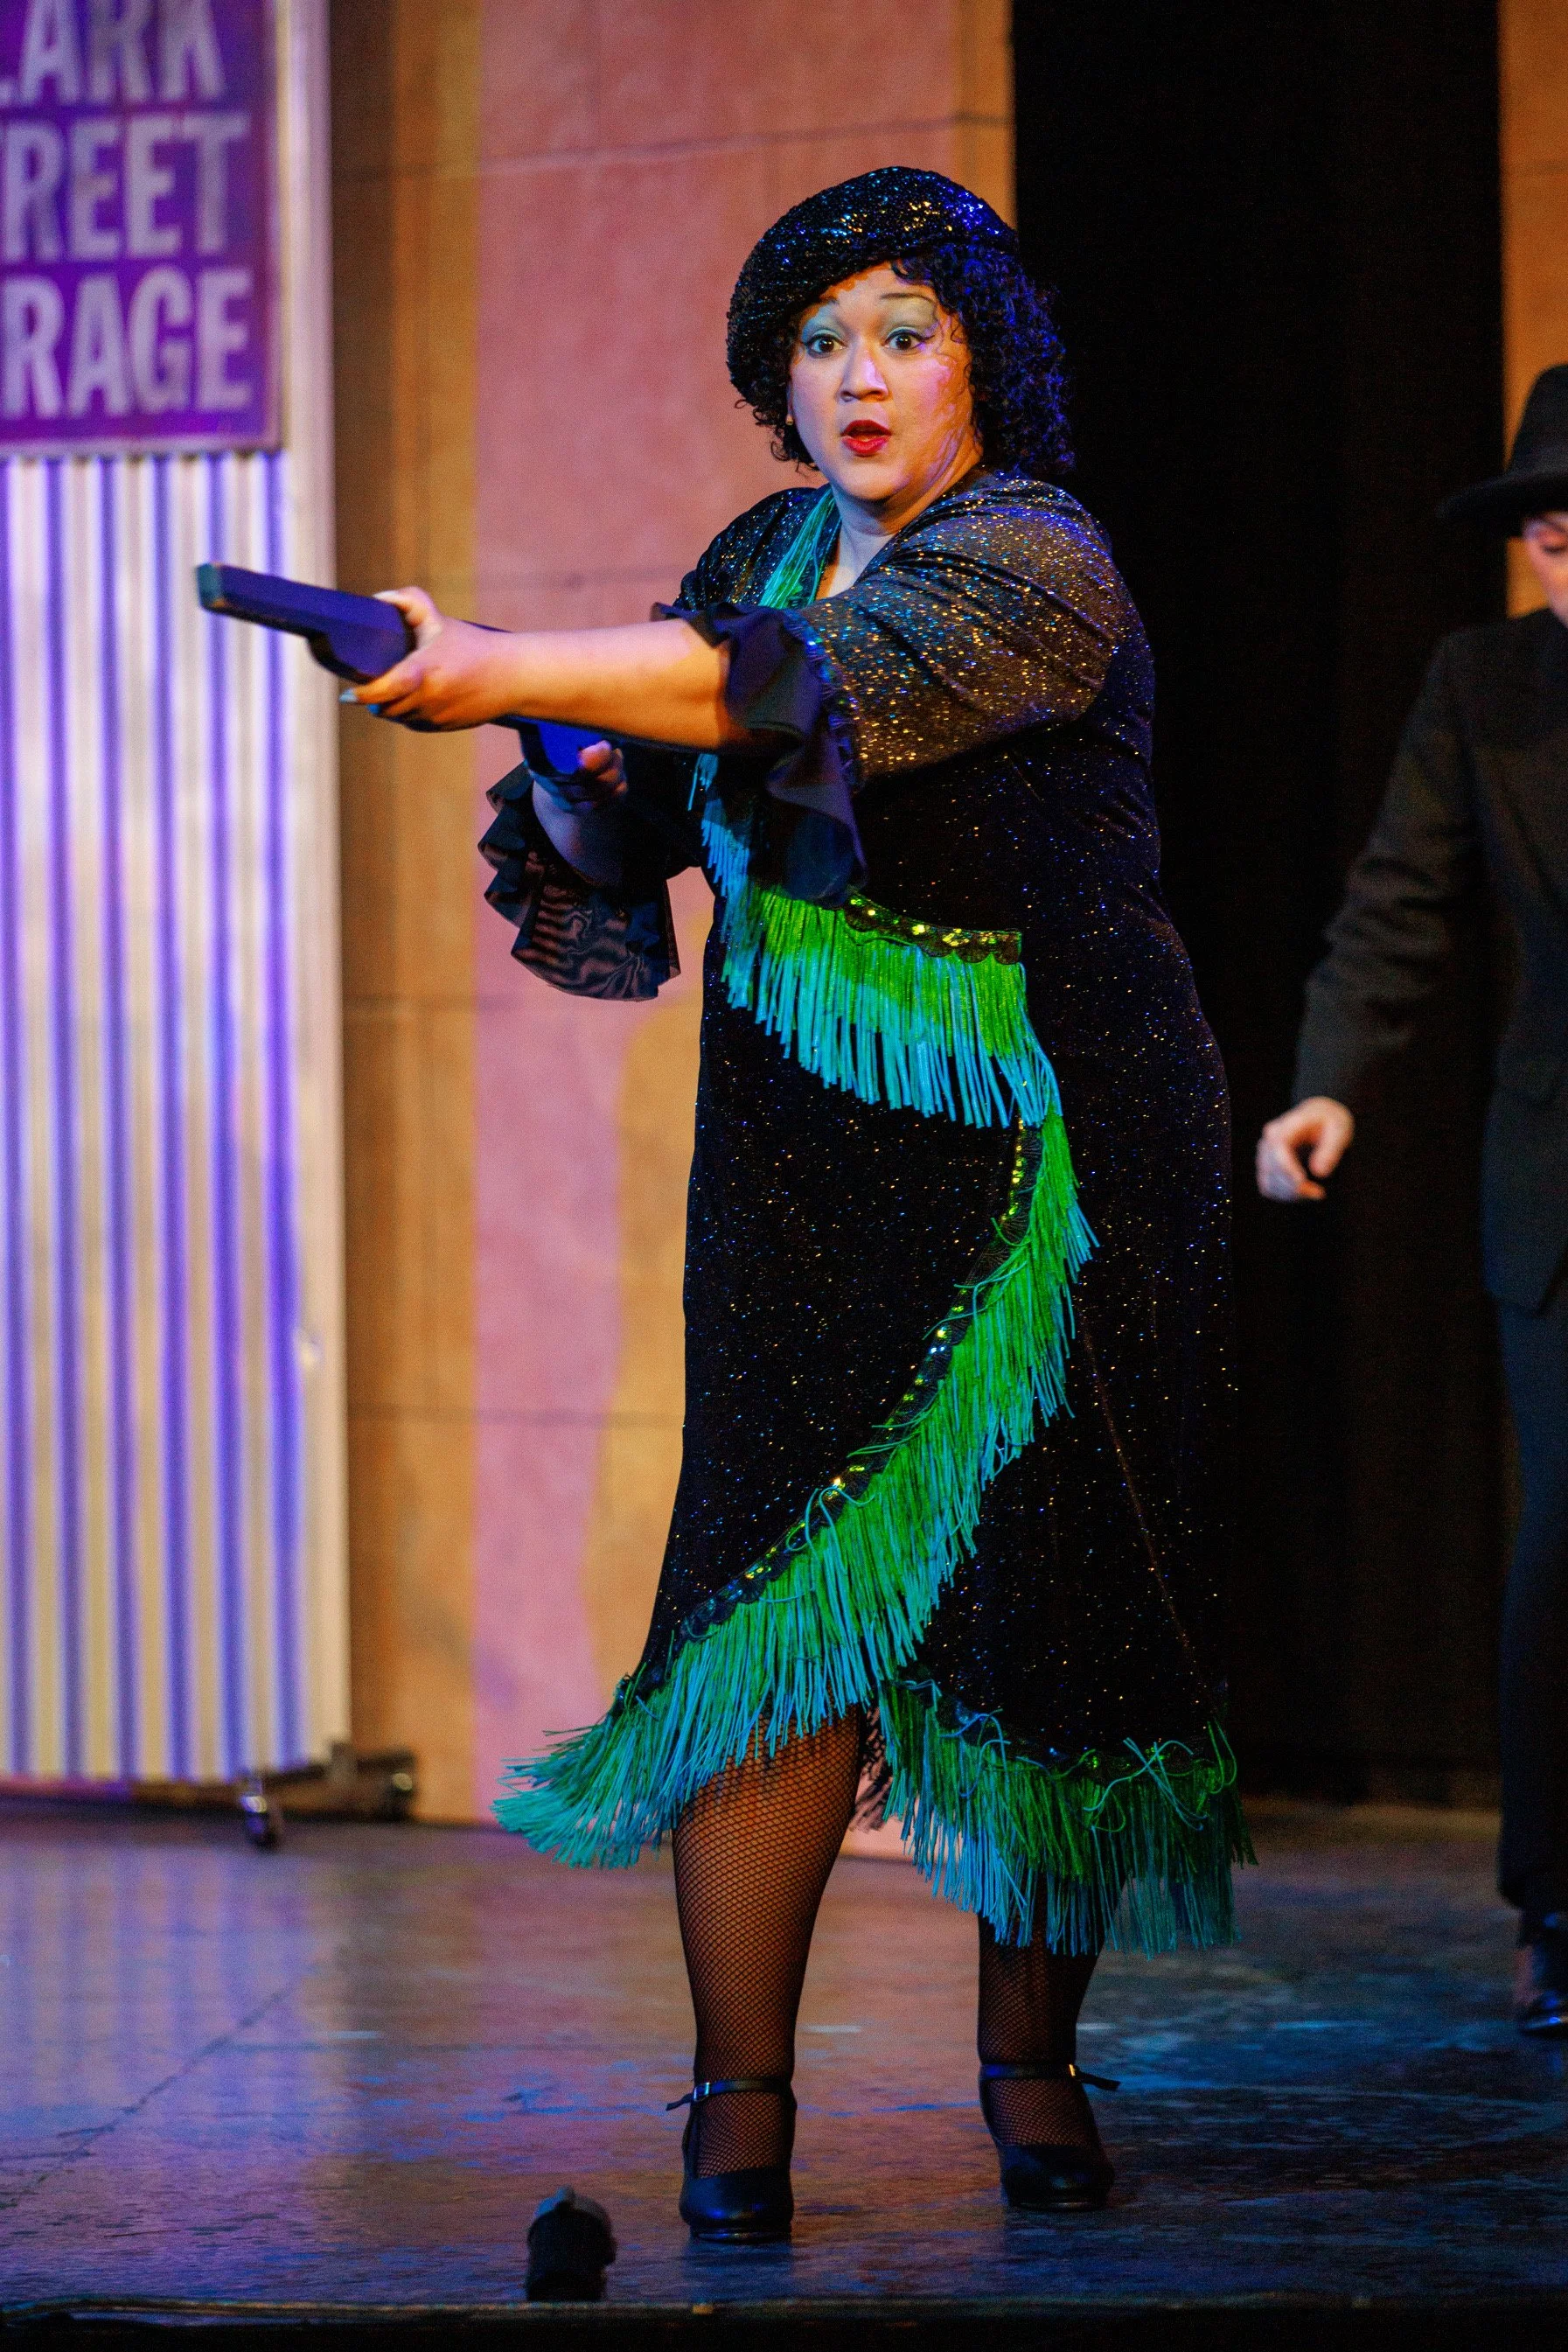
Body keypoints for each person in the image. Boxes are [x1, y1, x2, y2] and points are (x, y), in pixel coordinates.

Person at [356, 168, 1247, 2237]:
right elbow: (672, 764)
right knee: (765, 1603)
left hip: (1062, 1139)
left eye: (902, 334)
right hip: (803, 1149)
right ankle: (731, 2109)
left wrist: (499, 660)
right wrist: (573, 762)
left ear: (977, 364)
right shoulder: (759, 548)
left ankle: (1028, 2067)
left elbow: (790, 691)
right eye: (821, 337)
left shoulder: (1034, 555)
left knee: (1054, 1595)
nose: (857, 374)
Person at [1256, 364, 1568, 2040]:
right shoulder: (1487, 688)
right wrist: (1330, 1081)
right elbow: (1397, 902)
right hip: (1561, 1181)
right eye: (1552, 541)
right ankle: (1557, 1899)